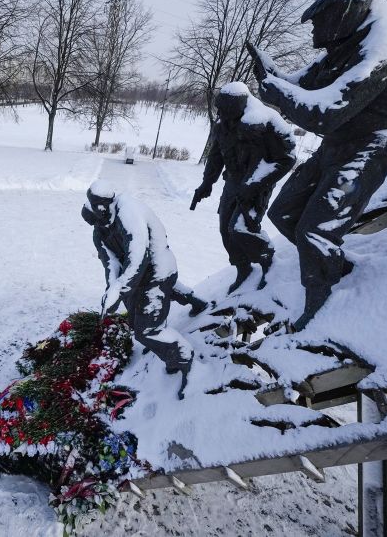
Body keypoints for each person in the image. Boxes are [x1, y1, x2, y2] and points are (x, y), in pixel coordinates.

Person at [246, 0, 387, 330]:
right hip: (337, 144)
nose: (313, 31)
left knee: (316, 230)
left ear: (344, 13)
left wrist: (273, 89)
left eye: (319, 20)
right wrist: (270, 74)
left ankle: (320, 307)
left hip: (371, 147)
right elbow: (302, 85)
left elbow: (325, 113)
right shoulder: (346, 46)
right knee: (283, 213)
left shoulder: (385, 47)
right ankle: (334, 265)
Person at [83, 180, 194, 399]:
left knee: (147, 330)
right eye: (96, 223)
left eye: (100, 219)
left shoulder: (128, 212)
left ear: (104, 208)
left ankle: (185, 360)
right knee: (134, 323)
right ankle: (192, 299)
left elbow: (139, 259)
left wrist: (120, 289)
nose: (99, 227)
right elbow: (110, 263)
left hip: (157, 271)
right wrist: (111, 289)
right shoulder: (99, 230)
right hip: (136, 279)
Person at [192, 83, 296, 293]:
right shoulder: (222, 126)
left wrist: (254, 185)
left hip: (257, 184)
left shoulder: (265, 123)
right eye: (219, 110)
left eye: (225, 111)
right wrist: (206, 183)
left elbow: (286, 159)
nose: (220, 115)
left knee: (240, 228)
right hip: (232, 183)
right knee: (225, 230)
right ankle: (243, 268)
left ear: (238, 109)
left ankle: (269, 262)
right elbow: (216, 156)